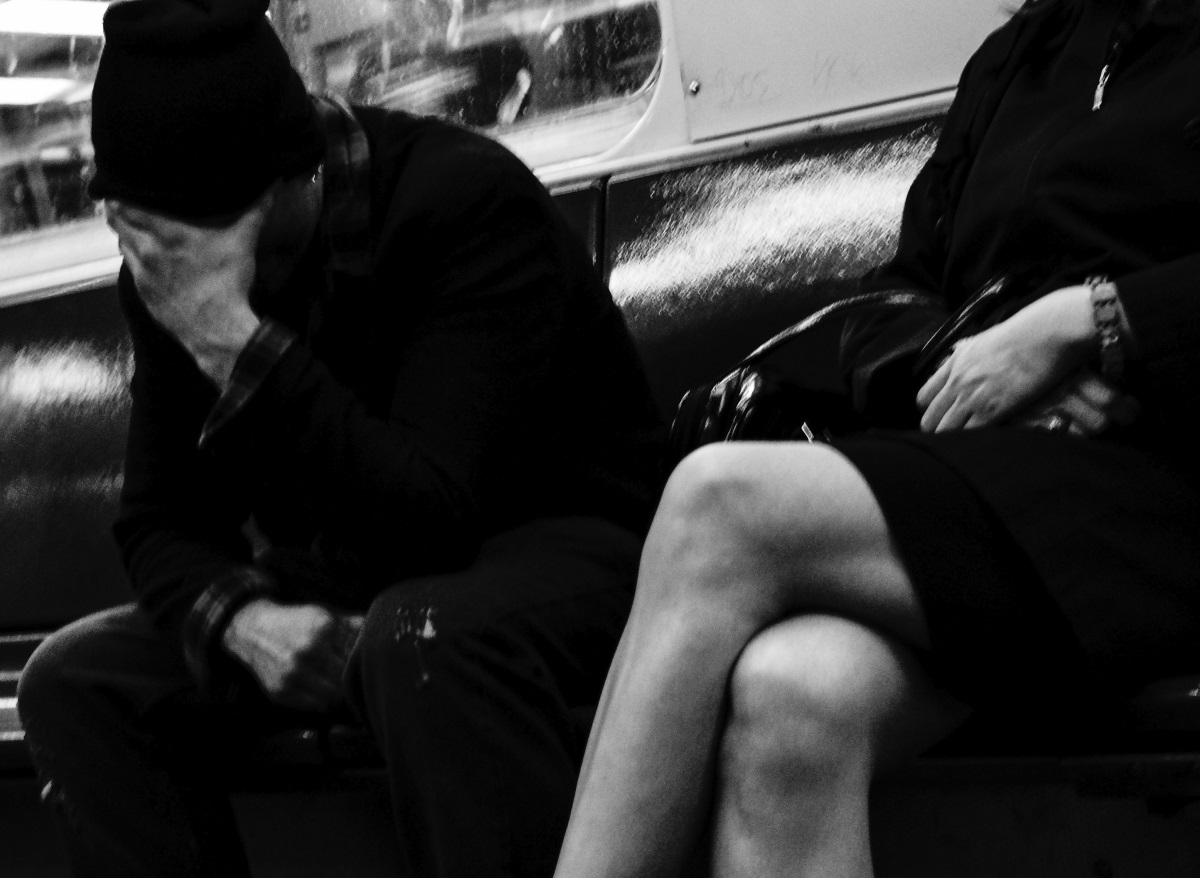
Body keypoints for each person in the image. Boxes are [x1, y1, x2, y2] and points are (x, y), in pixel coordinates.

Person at [548, 1, 1200, 876]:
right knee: (793, 693)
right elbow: (897, 292)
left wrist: (1092, 321)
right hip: (1003, 466)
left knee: (717, 505)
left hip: (1158, 476)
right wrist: (985, 357)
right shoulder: (1024, 55)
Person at [14, 1, 663, 877]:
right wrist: (243, 622)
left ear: (289, 181)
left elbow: (435, 516)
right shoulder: (177, 278)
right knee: (75, 680)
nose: (168, 271)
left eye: (194, 243)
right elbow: (158, 521)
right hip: (370, 568)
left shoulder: (463, 202)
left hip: (573, 544)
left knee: (421, 634)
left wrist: (232, 339)